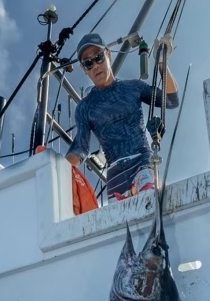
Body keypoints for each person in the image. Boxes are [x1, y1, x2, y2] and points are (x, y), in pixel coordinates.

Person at [66, 32, 179, 202]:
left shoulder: (133, 87)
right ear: (84, 69)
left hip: (142, 162)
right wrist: (54, 170)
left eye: (98, 57)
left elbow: (170, 100)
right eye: (88, 63)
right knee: (121, 225)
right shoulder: (84, 108)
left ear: (108, 55)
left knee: (150, 202)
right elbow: (80, 149)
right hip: (115, 176)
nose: (96, 65)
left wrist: (162, 63)